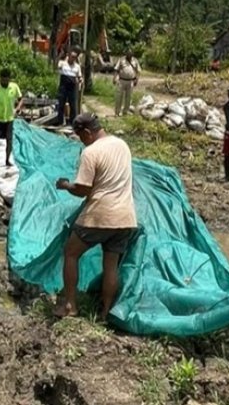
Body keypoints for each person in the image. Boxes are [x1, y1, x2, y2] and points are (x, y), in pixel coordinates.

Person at [54, 113, 137, 320]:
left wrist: (65, 185)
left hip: (100, 215)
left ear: (88, 133)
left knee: (71, 253)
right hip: (125, 217)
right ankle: (105, 312)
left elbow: (83, 189)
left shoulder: (91, 152)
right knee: (111, 265)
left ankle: (71, 305)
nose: (81, 141)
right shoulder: (122, 145)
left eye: (81, 137)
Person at [56, 51, 83, 125]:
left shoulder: (77, 66)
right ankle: (60, 122)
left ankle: (72, 123)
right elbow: (57, 66)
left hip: (72, 87)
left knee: (73, 105)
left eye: (75, 57)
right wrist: (59, 56)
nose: (73, 58)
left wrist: (81, 80)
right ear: (69, 56)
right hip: (63, 86)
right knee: (61, 104)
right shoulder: (62, 63)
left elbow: (79, 76)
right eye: (72, 57)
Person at [112, 51, 141, 117]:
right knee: (119, 97)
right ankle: (117, 112)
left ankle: (125, 112)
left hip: (130, 81)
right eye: (128, 55)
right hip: (121, 80)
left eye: (131, 55)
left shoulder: (135, 61)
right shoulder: (121, 60)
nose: (129, 56)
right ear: (126, 55)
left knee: (128, 98)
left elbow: (138, 71)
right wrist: (114, 78)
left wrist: (137, 79)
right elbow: (116, 69)